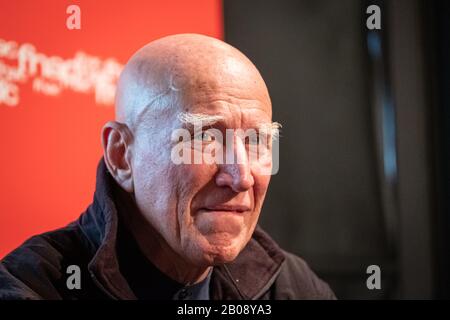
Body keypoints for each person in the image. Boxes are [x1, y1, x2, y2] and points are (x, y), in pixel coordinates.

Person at [0, 34, 335, 300]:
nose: (241, 176)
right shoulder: (33, 287)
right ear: (121, 155)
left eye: (256, 141)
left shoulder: (295, 286)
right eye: (205, 138)